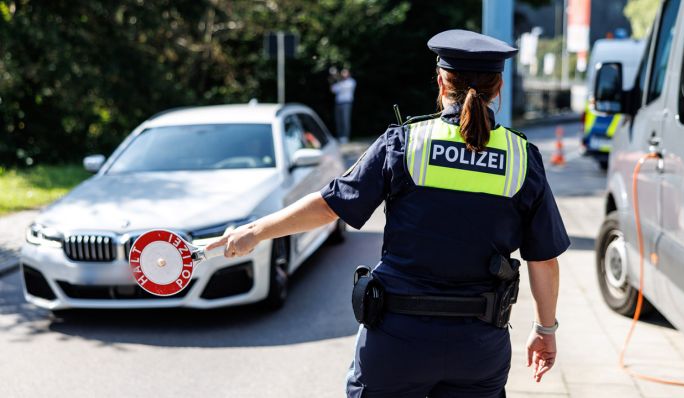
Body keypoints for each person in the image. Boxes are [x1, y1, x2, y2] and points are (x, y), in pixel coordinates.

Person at [208, 29, 569, 398]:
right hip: (478, 346)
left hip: (397, 341)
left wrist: (256, 231)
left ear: (442, 81)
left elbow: (331, 205)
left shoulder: (405, 142)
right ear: (499, 87)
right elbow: (544, 260)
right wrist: (545, 329)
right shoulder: (523, 158)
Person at [330, 68, 357, 143]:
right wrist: (333, 80)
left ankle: (345, 137)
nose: (343, 74)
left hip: (346, 103)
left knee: (345, 120)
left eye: (345, 73)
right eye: (342, 73)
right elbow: (333, 90)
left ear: (349, 73)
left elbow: (343, 87)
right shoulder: (340, 82)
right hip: (338, 104)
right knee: (339, 121)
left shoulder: (351, 82)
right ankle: (340, 137)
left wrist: (337, 78)